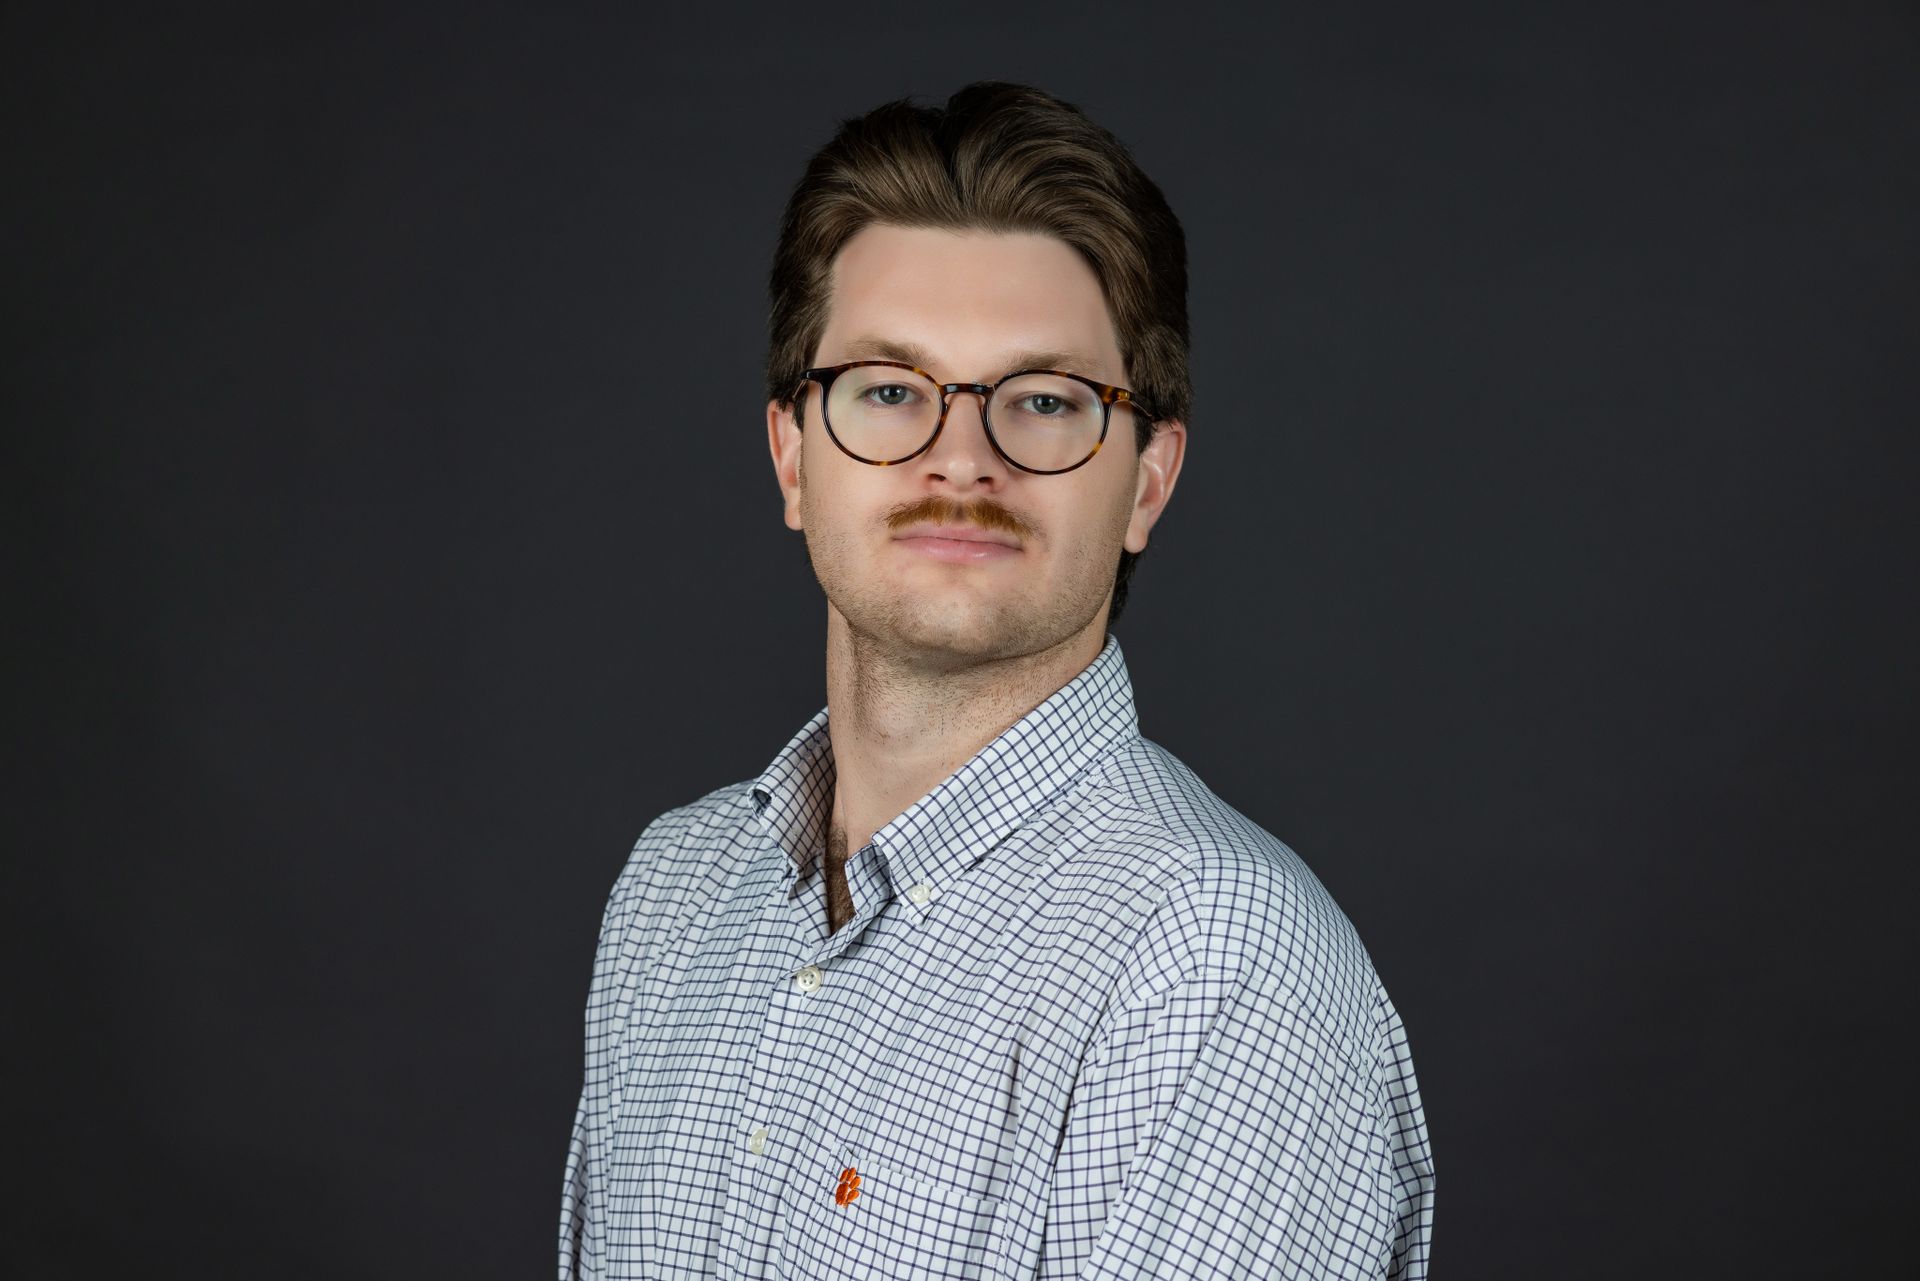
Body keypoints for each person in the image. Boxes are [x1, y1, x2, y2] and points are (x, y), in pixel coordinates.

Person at [558, 81, 1434, 1280]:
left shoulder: (1213, 966)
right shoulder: (672, 901)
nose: (959, 457)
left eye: (1041, 401)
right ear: (792, 458)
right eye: (886, 390)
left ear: (1146, 482)